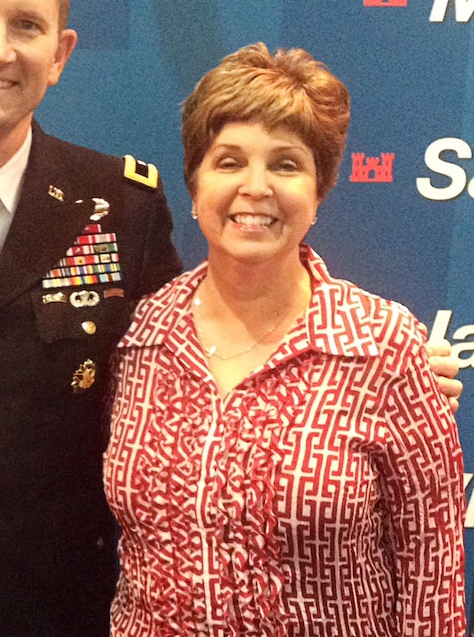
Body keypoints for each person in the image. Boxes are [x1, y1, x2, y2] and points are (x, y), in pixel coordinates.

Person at [0, 0, 462, 636]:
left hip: (60, 616)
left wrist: (382, 358)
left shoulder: (115, 207)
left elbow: (206, 335)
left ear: (60, 52)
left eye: (26, 25)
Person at [103, 43, 466, 635]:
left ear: (319, 192)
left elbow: (432, 571)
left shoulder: (385, 347)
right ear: (194, 188)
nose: (256, 187)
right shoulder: (140, 335)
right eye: (228, 162)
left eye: (286, 164)